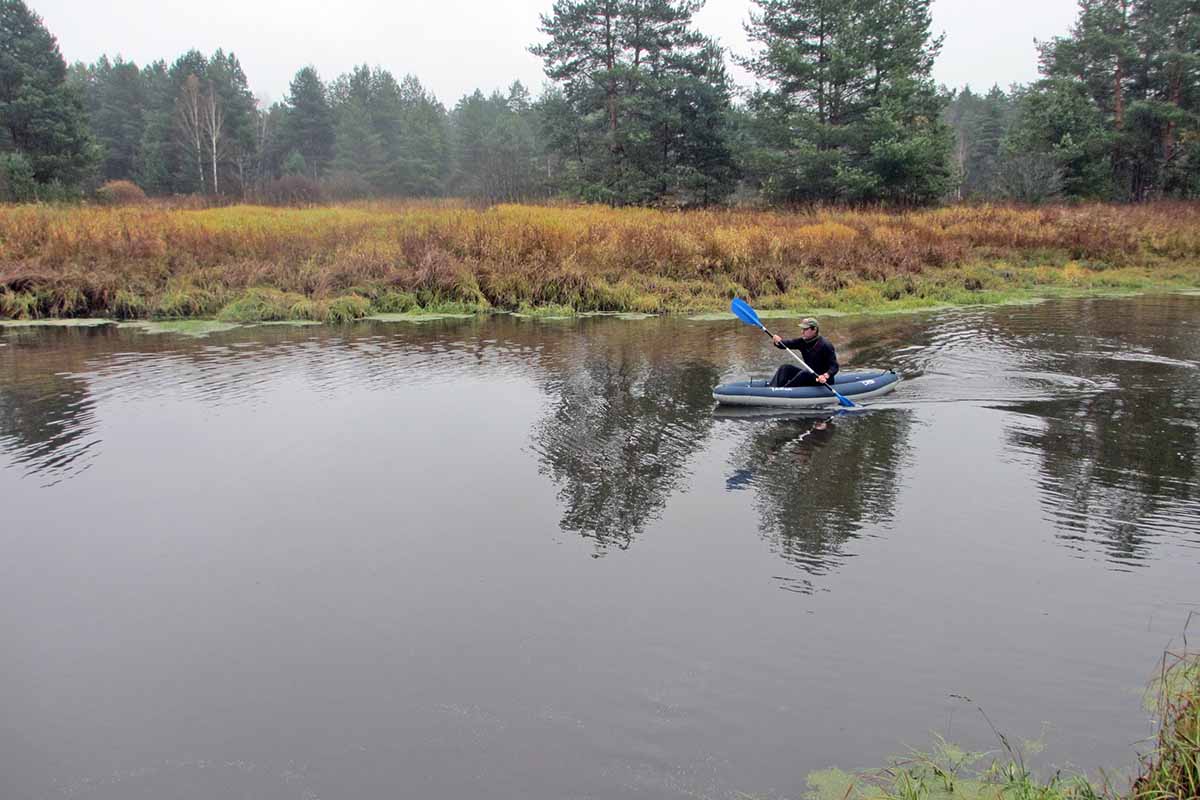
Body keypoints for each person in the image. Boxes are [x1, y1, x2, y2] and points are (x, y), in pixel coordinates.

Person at [767, 317, 839, 388]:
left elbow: (834, 366)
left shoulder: (825, 345)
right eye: (802, 329)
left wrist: (826, 375)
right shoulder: (802, 342)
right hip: (810, 375)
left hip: (823, 380)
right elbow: (785, 344)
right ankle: (772, 389)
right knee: (785, 368)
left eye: (805, 329)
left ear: (814, 329)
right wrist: (777, 341)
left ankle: (784, 392)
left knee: (805, 373)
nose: (802, 332)